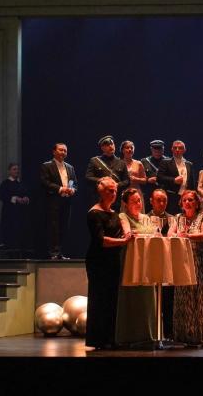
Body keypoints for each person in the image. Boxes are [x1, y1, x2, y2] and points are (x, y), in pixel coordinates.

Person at [85, 177, 131, 350]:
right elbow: (101, 241)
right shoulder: (94, 213)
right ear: (100, 191)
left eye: (114, 191)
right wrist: (123, 242)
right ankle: (97, 340)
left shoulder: (114, 212)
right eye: (109, 191)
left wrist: (126, 236)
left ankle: (110, 338)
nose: (113, 194)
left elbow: (122, 231)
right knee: (99, 299)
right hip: (98, 261)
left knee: (112, 299)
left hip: (113, 260)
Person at [170, 190, 203, 346]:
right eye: (185, 200)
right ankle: (183, 335)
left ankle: (202, 335)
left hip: (199, 261)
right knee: (183, 297)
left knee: (199, 297)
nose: (187, 202)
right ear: (181, 202)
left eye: (191, 200)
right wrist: (178, 235)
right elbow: (170, 234)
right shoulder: (178, 218)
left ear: (196, 203)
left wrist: (186, 236)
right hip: (182, 262)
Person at [115, 188, 158, 347]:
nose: (138, 204)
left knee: (147, 299)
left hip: (147, 263)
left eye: (139, 200)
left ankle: (149, 335)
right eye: (134, 201)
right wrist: (135, 235)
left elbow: (156, 234)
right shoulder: (122, 216)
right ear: (125, 204)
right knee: (131, 297)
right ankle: (129, 337)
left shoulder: (147, 218)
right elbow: (128, 234)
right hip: (131, 263)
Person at [41, 142, 77, 260]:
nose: (63, 153)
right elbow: (45, 183)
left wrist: (73, 190)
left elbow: (75, 183)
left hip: (67, 201)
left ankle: (60, 252)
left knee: (64, 226)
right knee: (53, 226)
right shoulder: (47, 166)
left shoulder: (70, 167)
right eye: (61, 150)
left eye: (65, 151)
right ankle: (53, 253)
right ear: (54, 151)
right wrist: (60, 188)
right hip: (53, 201)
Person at [147, 188, 175, 336]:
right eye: (158, 200)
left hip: (168, 264)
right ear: (151, 201)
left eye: (164, 200)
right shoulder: (144, 218)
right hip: (151, 265)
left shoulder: (173, 219)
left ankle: (169, 335)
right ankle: (152, 334)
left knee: (168, 301)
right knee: (151, 302)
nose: (162, 203)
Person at [0, 162, 31, 258]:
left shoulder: (21, 183)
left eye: (17, 169)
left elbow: (27, 194)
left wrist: (26, 198)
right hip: (10, 213)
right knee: (10, 232)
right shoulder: (5, 183)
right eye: (14, 169)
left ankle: (20, 252)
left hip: (21, 213)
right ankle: (10, 254)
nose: (16, 171)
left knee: (20, 232)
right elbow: (1, 196)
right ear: (9, 171)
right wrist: (15, 198)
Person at [86, 136, 128, 202]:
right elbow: (88, 177)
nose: (111, 146)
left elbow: (127, 181)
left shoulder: (121, 162)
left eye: (112, 144)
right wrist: (102, 181)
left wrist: (117, 185)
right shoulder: (95, 161)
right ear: (102, 148)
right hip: (99, 197)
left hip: (116, 198)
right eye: (108, 145)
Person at [158, 139, 193, 215]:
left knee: (186, 219)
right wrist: (173, 180)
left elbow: (192, 183)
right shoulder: (165, 162)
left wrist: (194, 197)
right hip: (171, 197)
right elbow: (159, 178)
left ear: (184, 150)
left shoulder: (189, 164)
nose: (177, 150)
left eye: (180, 148)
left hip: (187, 198)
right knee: (172, 220)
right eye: (175, 148)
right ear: (172, 149)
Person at [121, 140, 149, 206]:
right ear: (122, 150)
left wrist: (136, 179)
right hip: (123, 192)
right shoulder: (119, 163)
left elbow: (145, 180)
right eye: (127, 147)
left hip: (136, 192)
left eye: (132, 148)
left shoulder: (138, 163)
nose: (130, 149)